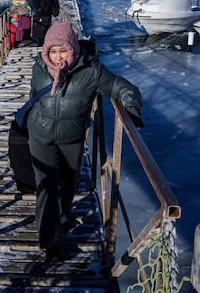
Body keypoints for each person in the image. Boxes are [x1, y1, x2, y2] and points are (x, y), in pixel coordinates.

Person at [25, 22, 143, 264]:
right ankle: (51, 241)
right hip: (40, 137)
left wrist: (131, 110)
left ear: (74, 49)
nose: (58, 58)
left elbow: (123, 88)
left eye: (63, 51)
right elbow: (32, 95)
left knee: (68, 184)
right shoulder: (39, 67)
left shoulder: (92, 72)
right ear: (46, 51)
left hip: (72, 138)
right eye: (53, 52)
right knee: (47, 187)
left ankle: (62, 216)